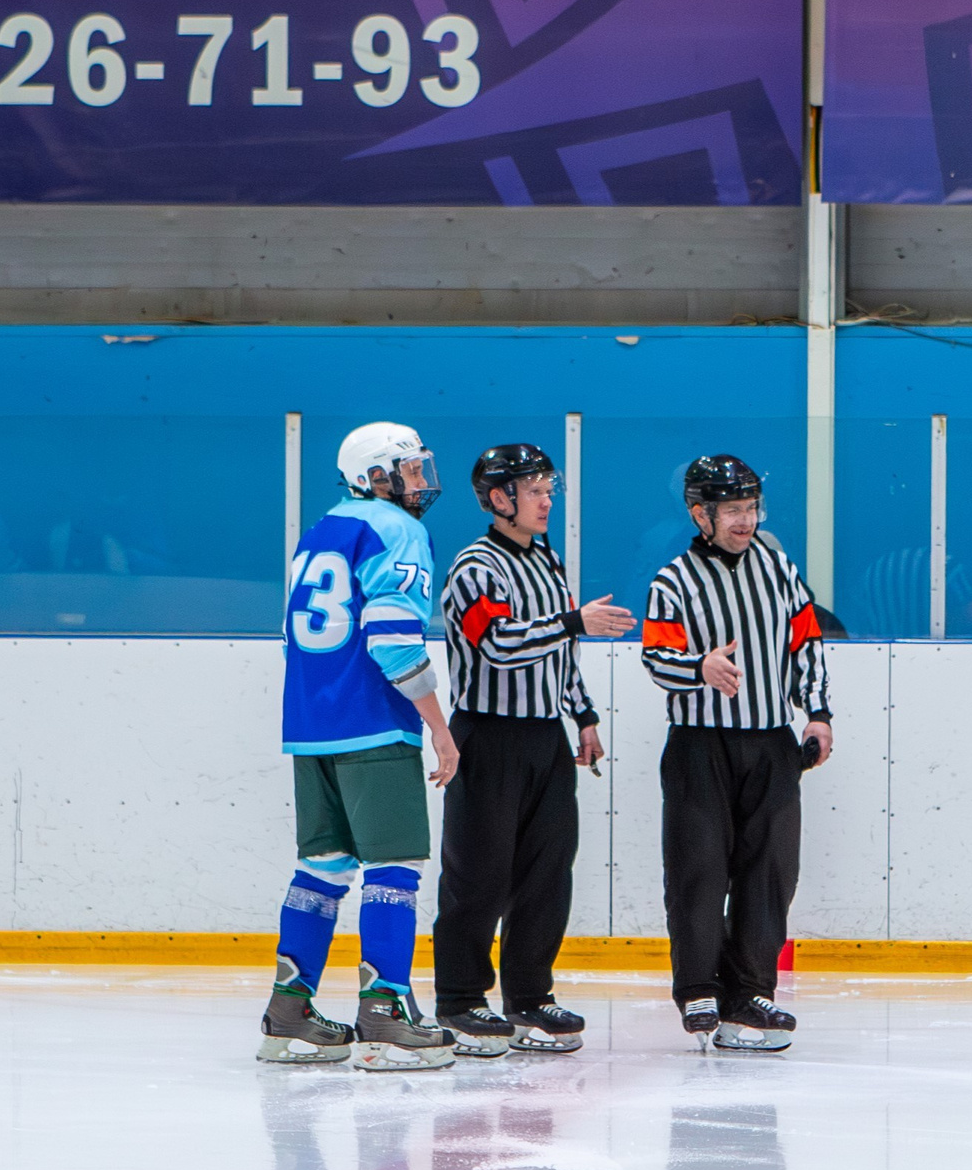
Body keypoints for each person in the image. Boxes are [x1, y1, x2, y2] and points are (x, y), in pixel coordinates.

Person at [258, 422, 462, 1072]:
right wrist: (438, 724)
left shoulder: (318, 531)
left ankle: (289, 1010)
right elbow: (394, 640)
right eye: (408, 468)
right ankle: (385, 1009)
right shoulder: (396, 529)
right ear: (375, 474)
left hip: (310, 726)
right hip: (372, 722)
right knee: (395, 867)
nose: (420, 480)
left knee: (322, 864)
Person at [430, 442, 636, 1055]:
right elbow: (498, 643)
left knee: (548, 872)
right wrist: (573, 622)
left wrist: (585, 716)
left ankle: (529, 995)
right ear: (499, 498)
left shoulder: (548, 561)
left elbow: (559, 655)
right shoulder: (474, 567)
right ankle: (462, 998)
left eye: (550, 490)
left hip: (545, 737)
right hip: (487, 737)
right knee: (479, 873)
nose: (548, 501)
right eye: (535, 490)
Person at [639, 454, 833, 1051]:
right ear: (701, 514)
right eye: (732, 510)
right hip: (701, 745)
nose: (744, 520)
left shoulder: (777, 566)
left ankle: (751, 993)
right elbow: (655, 656)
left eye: (750, 508)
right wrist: (701, 666)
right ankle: (698, 987)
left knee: (771, 872)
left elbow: (806, 640)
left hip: (772, 743)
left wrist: (819, 712)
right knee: (700, 869)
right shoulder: (673, 580)